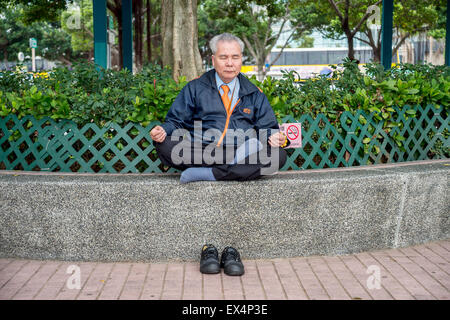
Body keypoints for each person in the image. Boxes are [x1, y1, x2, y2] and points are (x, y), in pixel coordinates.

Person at [150, 33, 289, 276]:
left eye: (235, 57)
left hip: (239, 152)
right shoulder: (195, 88)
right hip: (205, 151)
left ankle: (209, 175)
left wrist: (275, 137)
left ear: (241, 60)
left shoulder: (253, 93)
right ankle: (223, 169)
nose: (230, 63)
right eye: (223, 57)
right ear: (213, 59)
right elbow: (175, 120)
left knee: (279, 156)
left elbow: (269, 128)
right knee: (165, 146)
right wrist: (164, 131)